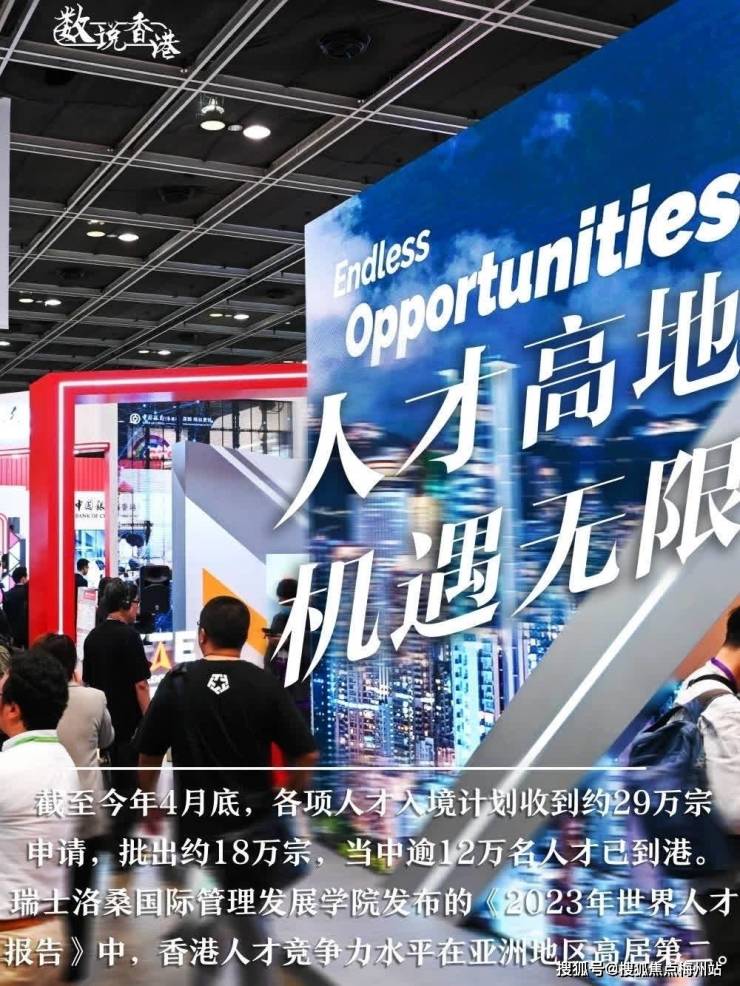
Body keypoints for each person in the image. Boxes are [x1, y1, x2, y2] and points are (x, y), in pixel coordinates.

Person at [137, 596, 318, 985]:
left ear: (202, 636)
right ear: (245, 636)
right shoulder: (264, 684)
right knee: (246, 923)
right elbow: (306, 753)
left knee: (212, 922)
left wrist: (148, 802)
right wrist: (287, 798)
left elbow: (148, 754)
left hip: (198, 831)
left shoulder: (178, 683)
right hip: (254, 831)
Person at [38, 633, 114, 982]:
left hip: (45, 810)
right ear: (73, 665)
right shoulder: (94, 698)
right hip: (86, 812)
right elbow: (108, 738)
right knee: (81, 895)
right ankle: (76, 963)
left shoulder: (34, 701)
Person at [0, 649, 79, 985]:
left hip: (9, 943)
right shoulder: (64, 762)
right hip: (51, 932)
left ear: (13, 708)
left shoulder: (8, 769)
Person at [676, 606, 740, 980]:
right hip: (728, 873)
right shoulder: (725, 706)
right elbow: (734, 813)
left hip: (703, 863)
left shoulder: (696, 684)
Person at [83, 579, 150, 856]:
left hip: (102, 723)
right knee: (128, 785)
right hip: (128, 724)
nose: (138, 609)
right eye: (135, 603)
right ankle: (125, 844)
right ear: (124, 604)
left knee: (108, 782)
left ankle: (112, 838)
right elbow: (141, 685)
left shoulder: (92, 637)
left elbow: (88, 682)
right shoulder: (129, 637)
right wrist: (150, 719)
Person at [264, 577, 312, 724]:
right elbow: (270, 656)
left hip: (301, 690)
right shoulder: (278, 619)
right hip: (280, 686)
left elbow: (312, 655)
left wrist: (288, 642)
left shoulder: (310, 620)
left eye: (286, 601)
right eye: (280, 600)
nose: (282, 604)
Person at [2, 567, 28, 649]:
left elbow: (5, 615)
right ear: (23, 579)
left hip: (13, 633)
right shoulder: (29, 593)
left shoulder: (7, 594)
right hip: (28, 632)